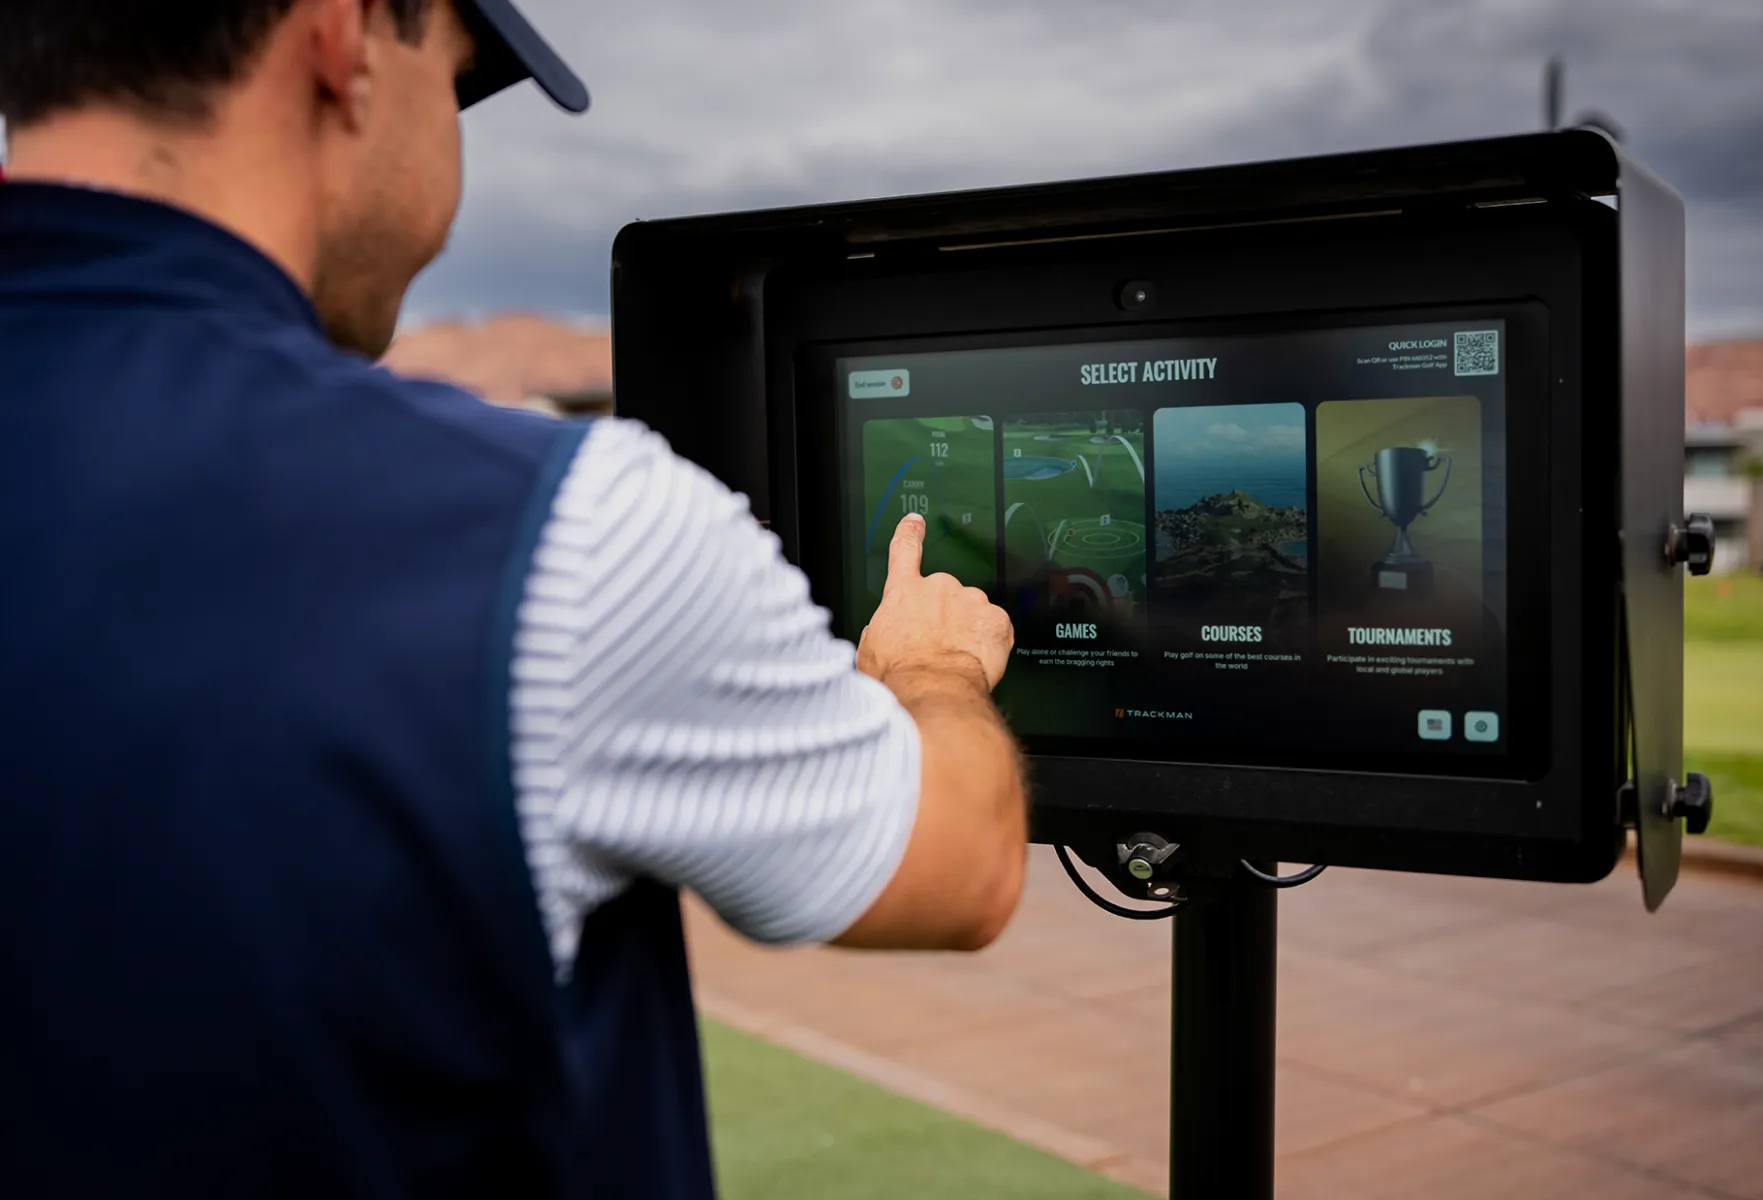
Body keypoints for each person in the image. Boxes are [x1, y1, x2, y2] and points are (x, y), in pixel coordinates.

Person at [0, 2, 1026, 1196]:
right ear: (344, 43)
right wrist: (931, 672)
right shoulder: (559, 533)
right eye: (458, 71)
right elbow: (966, 865)